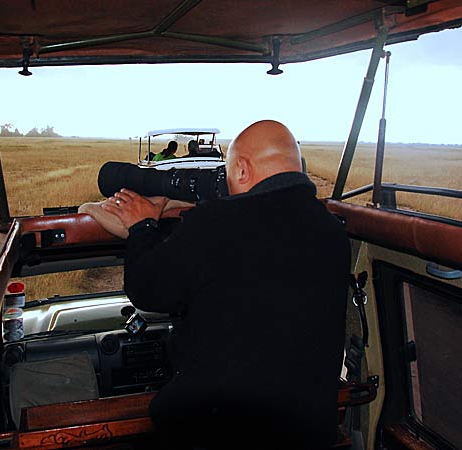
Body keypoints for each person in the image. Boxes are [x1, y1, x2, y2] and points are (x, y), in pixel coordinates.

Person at [101, 120, 349, 449]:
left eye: (228, 173)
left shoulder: (215, 225)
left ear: (242, 169)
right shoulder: (333, 232)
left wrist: (143, 226)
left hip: (221, 433)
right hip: (310, 435)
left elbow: (147, 290)